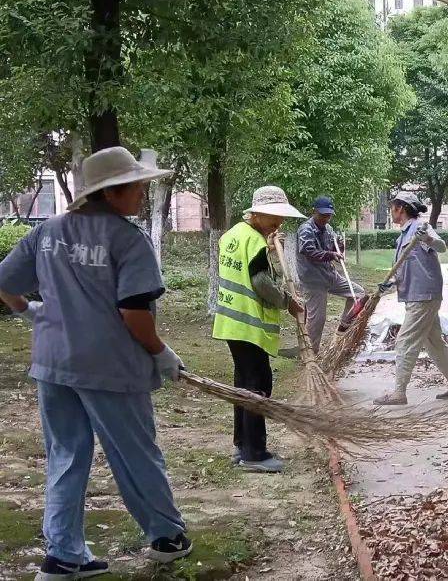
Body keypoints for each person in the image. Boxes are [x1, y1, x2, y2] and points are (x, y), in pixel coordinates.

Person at [0, 146, 193, 580]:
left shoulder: (47, 231)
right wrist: (160, 352)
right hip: (110, 367)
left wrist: (27, 310)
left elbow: (4, 282)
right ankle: (166, 536)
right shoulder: (128, 239)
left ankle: (63, 555)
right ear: (110, 192)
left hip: (54, 363)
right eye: (136, 187)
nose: (141, 193)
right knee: (134, 451)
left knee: (65, 455)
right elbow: (134, 313)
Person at [212, 185, 306, 472]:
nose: (279, 222)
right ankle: (254, 454)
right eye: (274, 216)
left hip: (232, 322)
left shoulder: (232, 235)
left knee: (243, 384)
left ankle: (243, 445)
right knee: (257, 385)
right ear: (257, 214)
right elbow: (261, 283)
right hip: (249, 324)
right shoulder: (255, 242)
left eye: (281, 217)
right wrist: (287, 302)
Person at [373, 191, 448, 405]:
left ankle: (399, 393)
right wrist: (391, 284)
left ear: (401, 208)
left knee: (404, 341)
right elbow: (406, 267)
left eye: (393, 207)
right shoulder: (403, 236)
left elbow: (441, 246)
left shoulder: (419, 227)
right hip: (417, 294)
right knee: (433, 342)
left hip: (423, 296)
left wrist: (427, 238)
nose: (391, 211)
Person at [296, 195, 367, 354]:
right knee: (318, 320)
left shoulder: (328, 229)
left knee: (359, 294)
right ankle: (311, 354)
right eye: (323, 215)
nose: (326, 219)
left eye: (328, 216)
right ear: (314, 212)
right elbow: (309, 252)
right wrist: (331, 254)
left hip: (330, 275)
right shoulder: (306, 229)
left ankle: (343, 327)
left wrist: (339, 247)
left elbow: (334, 249)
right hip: (313, 280)